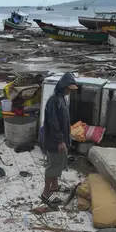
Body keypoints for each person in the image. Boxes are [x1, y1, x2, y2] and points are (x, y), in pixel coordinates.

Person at [41, 72, 78, 206]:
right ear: (63, 87)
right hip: (54, 140)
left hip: (61, 139)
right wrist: (60, 140)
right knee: (54, 165)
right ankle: (46, 192)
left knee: (59, 164)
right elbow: (53, 122)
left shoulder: (62, 98)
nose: (70, 91)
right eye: (69, 89)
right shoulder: (54, 101)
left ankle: (54, 186)